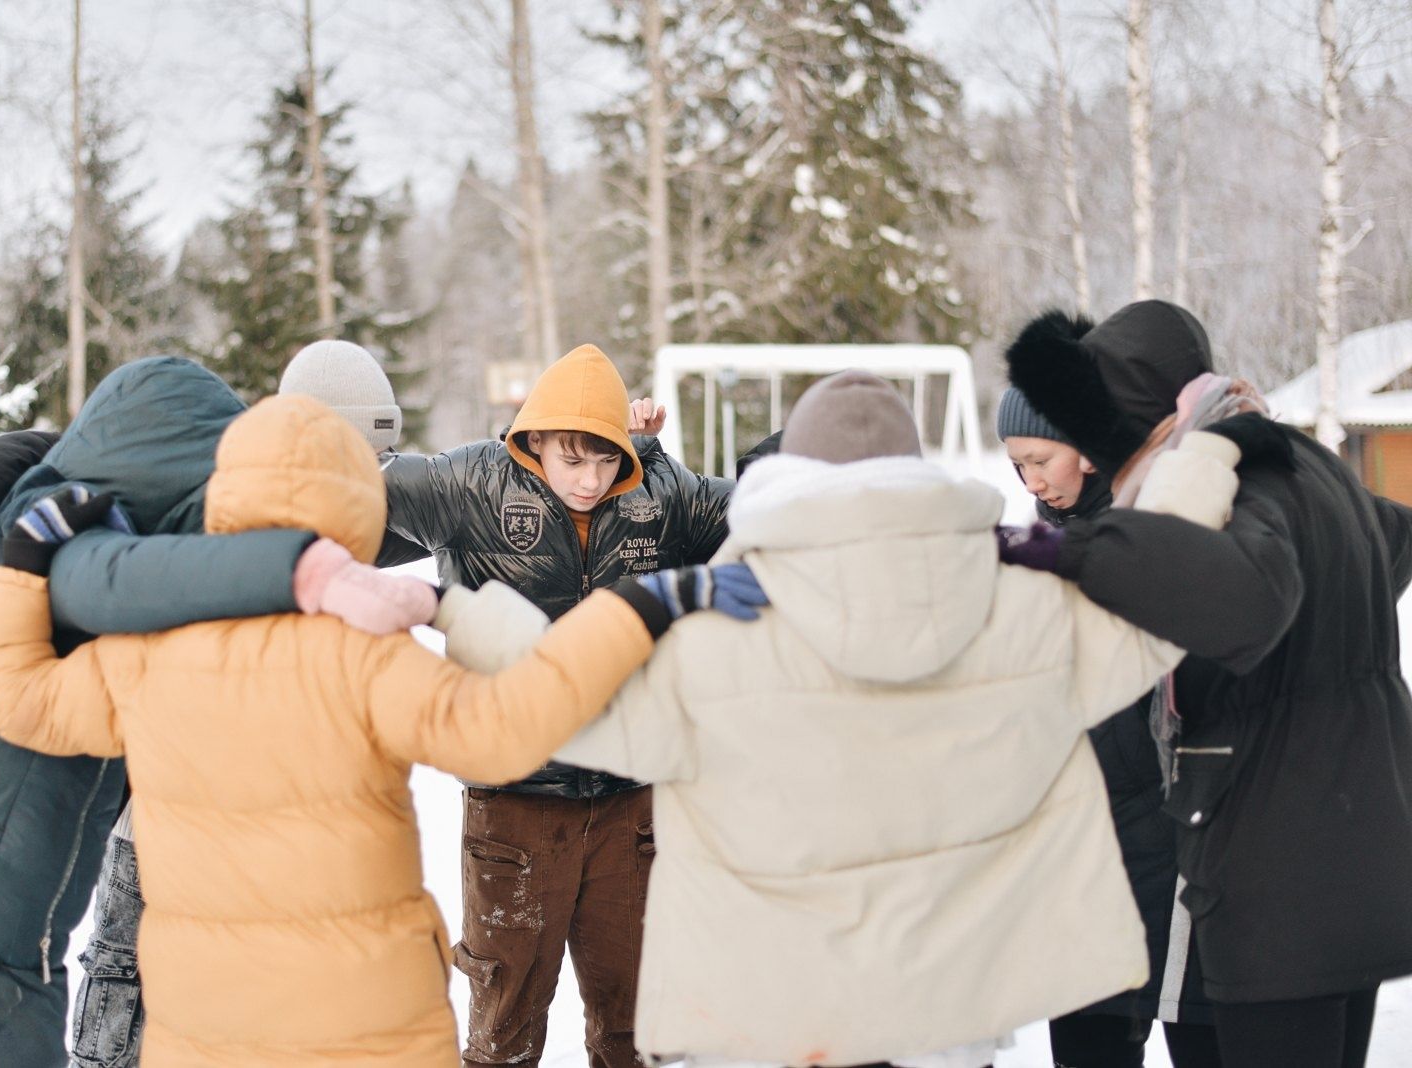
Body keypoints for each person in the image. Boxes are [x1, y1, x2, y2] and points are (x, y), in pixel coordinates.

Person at [394, 370, 1246, 1068]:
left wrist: (454, 609)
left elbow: (566, 693)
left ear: (789, 485)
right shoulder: (1023, 615)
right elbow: (1161, 596)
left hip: (784, 1014)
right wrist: (1198, 449)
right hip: (946, 1011)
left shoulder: (726, 641)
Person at [0, 392, 733, 1068]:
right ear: (358, 499)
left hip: (208, 1027)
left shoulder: (151, 654)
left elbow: (15, 698)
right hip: (375, 1026)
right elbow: (510, 732)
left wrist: (24, 563)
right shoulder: (368, 656)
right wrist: (625, 615)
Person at [0, 340, 427, 1068]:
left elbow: (476, 485)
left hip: (278, 816)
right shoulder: (220, 484)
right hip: (161, 788)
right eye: (350, 455)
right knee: (124, 953)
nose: (359, 481)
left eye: (375, 463)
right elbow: (56, 452)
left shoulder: (364, 515)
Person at [0, 358, 320, 1068]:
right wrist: (304, 566)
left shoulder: (44, 512)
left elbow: (59, 452)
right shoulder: (60, 544)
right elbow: (144, 582)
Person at [1000, 299, 1412, 1068]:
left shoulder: (1244, 485)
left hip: (1278, 878)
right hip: (1351, 852)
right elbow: (1390, 540)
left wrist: (1071, 553)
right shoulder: (1305, 465)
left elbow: (1242, 606)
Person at [378, 342, 733, 1068]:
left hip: (630, 805)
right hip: (517, 804)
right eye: (573, 461)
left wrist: (660, 465)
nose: (591, 480)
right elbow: (353, 494)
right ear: (533, 437)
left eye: (607, 462)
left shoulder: (657, 494)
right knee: (504, 1027)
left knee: (634, 1028)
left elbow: (765, 511)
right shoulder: (469, 484)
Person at [997, 385, 1220, 1068]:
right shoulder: (1036, 547)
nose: (1032, 481)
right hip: (1084, 859)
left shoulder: (1145, 535)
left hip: (1177, 846)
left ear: (1088, 454)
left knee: (1201, 1036)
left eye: (1041, 460)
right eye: (1018, 468)